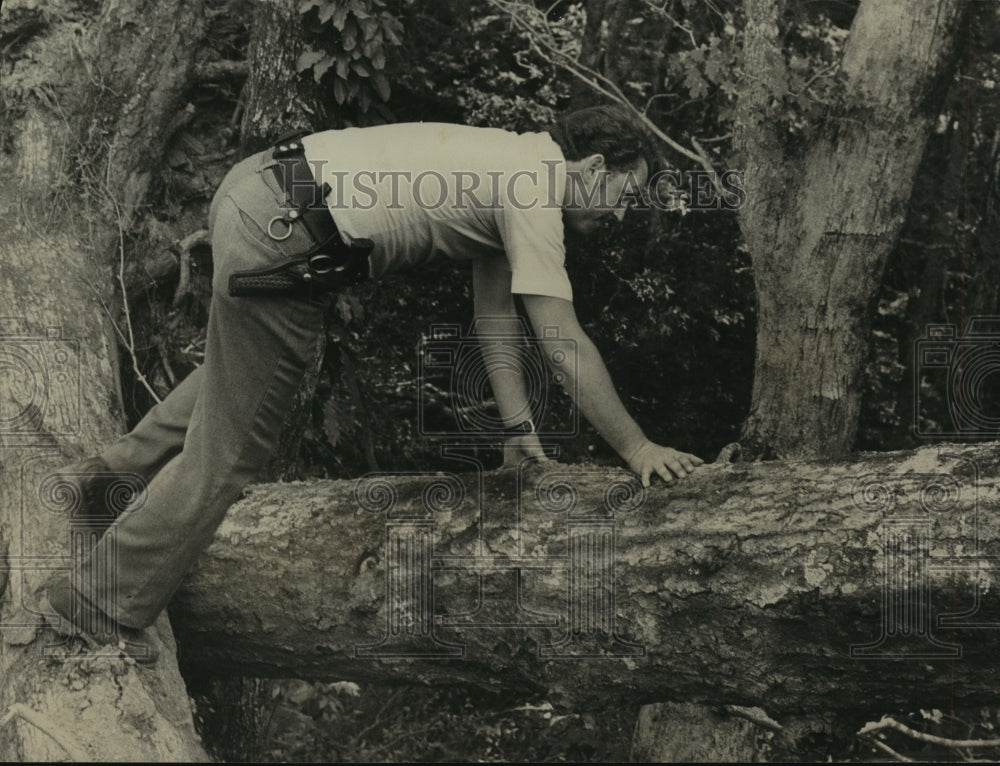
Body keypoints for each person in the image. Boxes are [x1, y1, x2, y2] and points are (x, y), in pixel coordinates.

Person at [45, 105, 704, 663]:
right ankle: (98, 602)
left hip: (256, 192)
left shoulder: (514, 164)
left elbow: (495, 317)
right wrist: (639, 449)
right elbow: (562, 342)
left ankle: (109, 475)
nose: (623, 212)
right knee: (236, 448)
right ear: (591, 170)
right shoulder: (536, 189)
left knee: (242, 370)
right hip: (286, 238)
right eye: (627, 190)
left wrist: (516, 433)